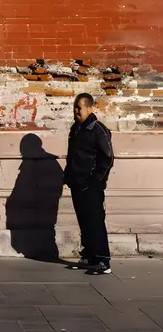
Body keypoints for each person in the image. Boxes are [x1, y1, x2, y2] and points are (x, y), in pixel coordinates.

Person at [64, 92, 114, 275]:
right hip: (77, 182)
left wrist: (96, 180)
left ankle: (103, 260)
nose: (76, 111)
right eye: (75, 108)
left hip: (92, 184)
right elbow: (72, 155)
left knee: (95, 221)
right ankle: (89, 256)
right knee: (84, 220)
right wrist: (68, 175)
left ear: (90, 108)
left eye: (80, 108)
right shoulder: (75, 129)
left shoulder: (98, 129)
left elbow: (107, 158)